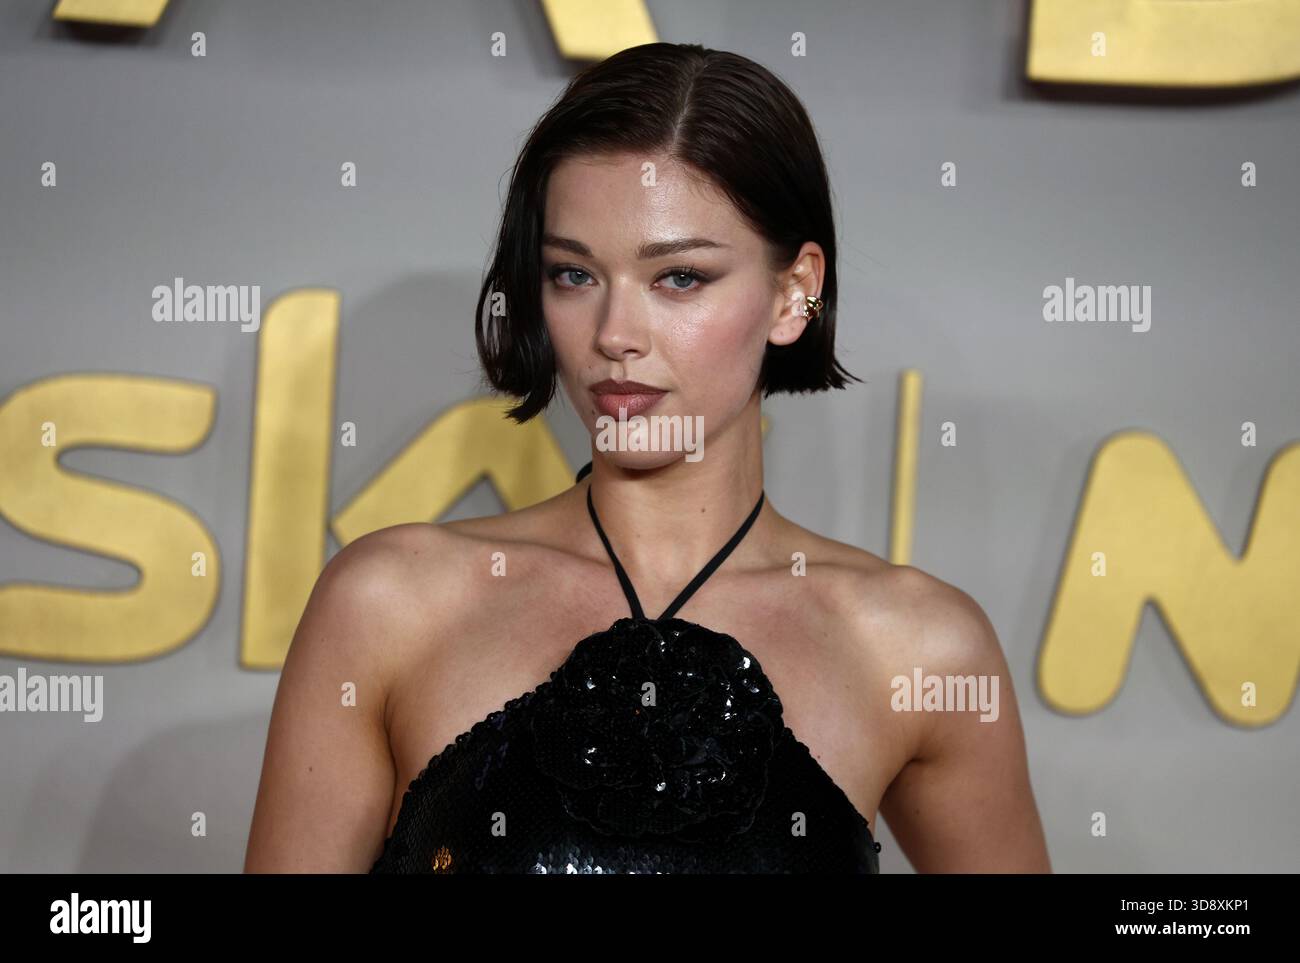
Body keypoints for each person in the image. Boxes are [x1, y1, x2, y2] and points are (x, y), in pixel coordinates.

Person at [244, 42, 1050, 873]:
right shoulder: (389, 607)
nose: (614, 336)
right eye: (573, 274)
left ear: (794, 293)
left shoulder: (918, 649)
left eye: (679, 278)